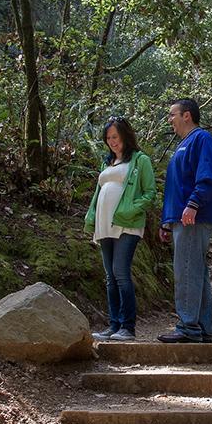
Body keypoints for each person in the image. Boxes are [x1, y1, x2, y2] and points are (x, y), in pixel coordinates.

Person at [84, 116, 155, 342]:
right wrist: (92, 216)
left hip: (127, 225)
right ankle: (113, 325)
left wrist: (131, 210)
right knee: (110, 277)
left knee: (121, 273)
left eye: (115, 136)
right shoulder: (107, 163)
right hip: (104, 225)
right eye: (108, 138)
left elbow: (150, 193)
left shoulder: (140, 160)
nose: (112, 142)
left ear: (125, 135)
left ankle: (128, 327)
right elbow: (98, 194)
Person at [158, 99, 212, 344]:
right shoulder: (181, 145)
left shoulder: (202, 139)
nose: (169, 119)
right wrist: (166, 221)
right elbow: (175, 187)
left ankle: (188, 328)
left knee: (185, 270)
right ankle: (203, 328)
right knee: (196, 271)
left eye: (171, 114)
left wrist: (194, 204)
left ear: (187, 116)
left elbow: (207, 176)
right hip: (180, 218)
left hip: (194, 217)